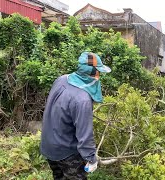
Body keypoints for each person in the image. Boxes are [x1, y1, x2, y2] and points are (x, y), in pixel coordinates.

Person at [40, 51, 111, 180]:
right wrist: (91, 159)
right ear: (92, 73)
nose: (99, 76)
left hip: (48, 145)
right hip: (66, 152)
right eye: (98, 72)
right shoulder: (82, 99)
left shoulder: (62, 79)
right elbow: (85, 135)